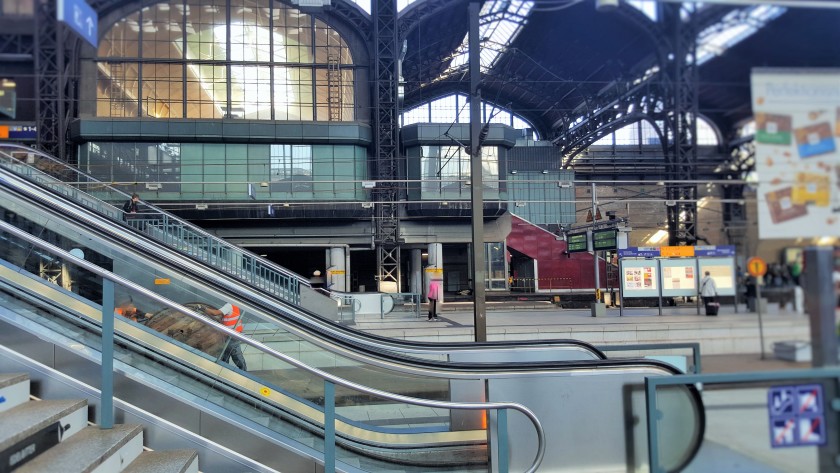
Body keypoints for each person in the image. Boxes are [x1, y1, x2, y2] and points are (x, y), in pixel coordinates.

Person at [206, 302, 247, 371]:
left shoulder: (229, 306)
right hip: (231, 335)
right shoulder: (235, 306)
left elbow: (215, 313)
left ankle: (243, 373)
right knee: (226, 354)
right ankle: (225, 371)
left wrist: (205, 309)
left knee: (235, 356)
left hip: (231, 336)